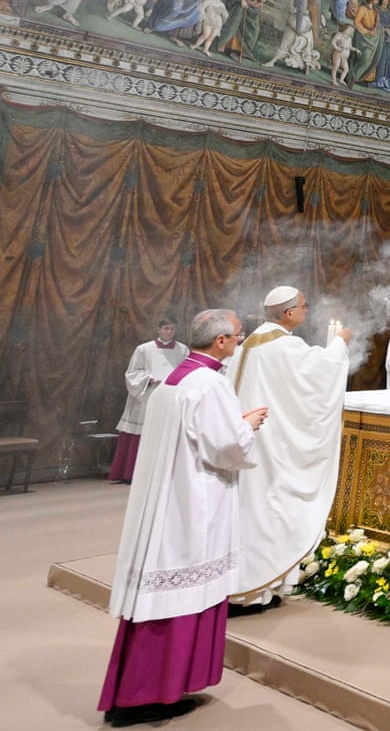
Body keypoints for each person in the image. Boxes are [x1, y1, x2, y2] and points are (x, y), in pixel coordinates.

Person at [100, 309, 267, 728]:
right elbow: (226, 447)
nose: (241, 341)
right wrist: (248, 425)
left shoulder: (179, 378)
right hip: (192, 506)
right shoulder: (210, 384)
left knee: (164, 594)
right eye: (239, 336)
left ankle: (145, 691)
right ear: (222, 341)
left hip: (165, 501)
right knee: (180, 595)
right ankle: (149, 695)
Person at [227, 285, 351, 612]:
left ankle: (251, 587)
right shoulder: (284, 346)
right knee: (268, 510)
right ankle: (249, 591)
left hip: (250, 438)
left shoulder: (248, 344)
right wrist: (340, 343)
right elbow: (321, 377)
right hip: (270, 443)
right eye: (302, 306)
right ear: (287, 313)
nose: (306, 310)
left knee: (249, 509)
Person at [109, 314, 189, 483]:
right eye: (166, 328)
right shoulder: (144, 349)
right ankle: (132, 473)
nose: (169, 332)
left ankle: (163, 474)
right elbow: (132, 373)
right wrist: (148, 379)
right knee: (142, 433)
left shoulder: (182, 350)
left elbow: (186, 371)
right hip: (147, 395)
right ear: (158, 330)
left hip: (170, 395)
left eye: (172, 329)